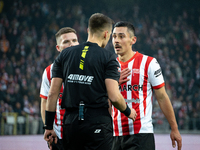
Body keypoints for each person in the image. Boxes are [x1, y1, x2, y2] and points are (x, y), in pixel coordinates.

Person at [43, 13, 137, 150]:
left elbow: (52, 94)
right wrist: (128, 111)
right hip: (97, 122)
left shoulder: (64, 55)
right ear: (106, 34)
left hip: (71, 123)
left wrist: (49, 126)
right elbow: (114, 95)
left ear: (88, 30)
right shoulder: (108, 57)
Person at [111, 21, 182, 150]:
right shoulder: (108, 66)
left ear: (133, 40)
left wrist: (174, 128)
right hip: (114, 135)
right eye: (114, 36)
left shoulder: (149, 63)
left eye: (121, 36)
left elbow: (162, 97)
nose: (116, 40)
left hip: (141, 135)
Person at [40, 27, 79, 150]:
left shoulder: (89, 67)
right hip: (58, 135)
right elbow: (45, 102)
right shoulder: (48, 72)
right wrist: (48, 127)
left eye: (74, 40)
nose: (71, 44)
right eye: (66, 42)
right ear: (58, 48)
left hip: (83, 134)